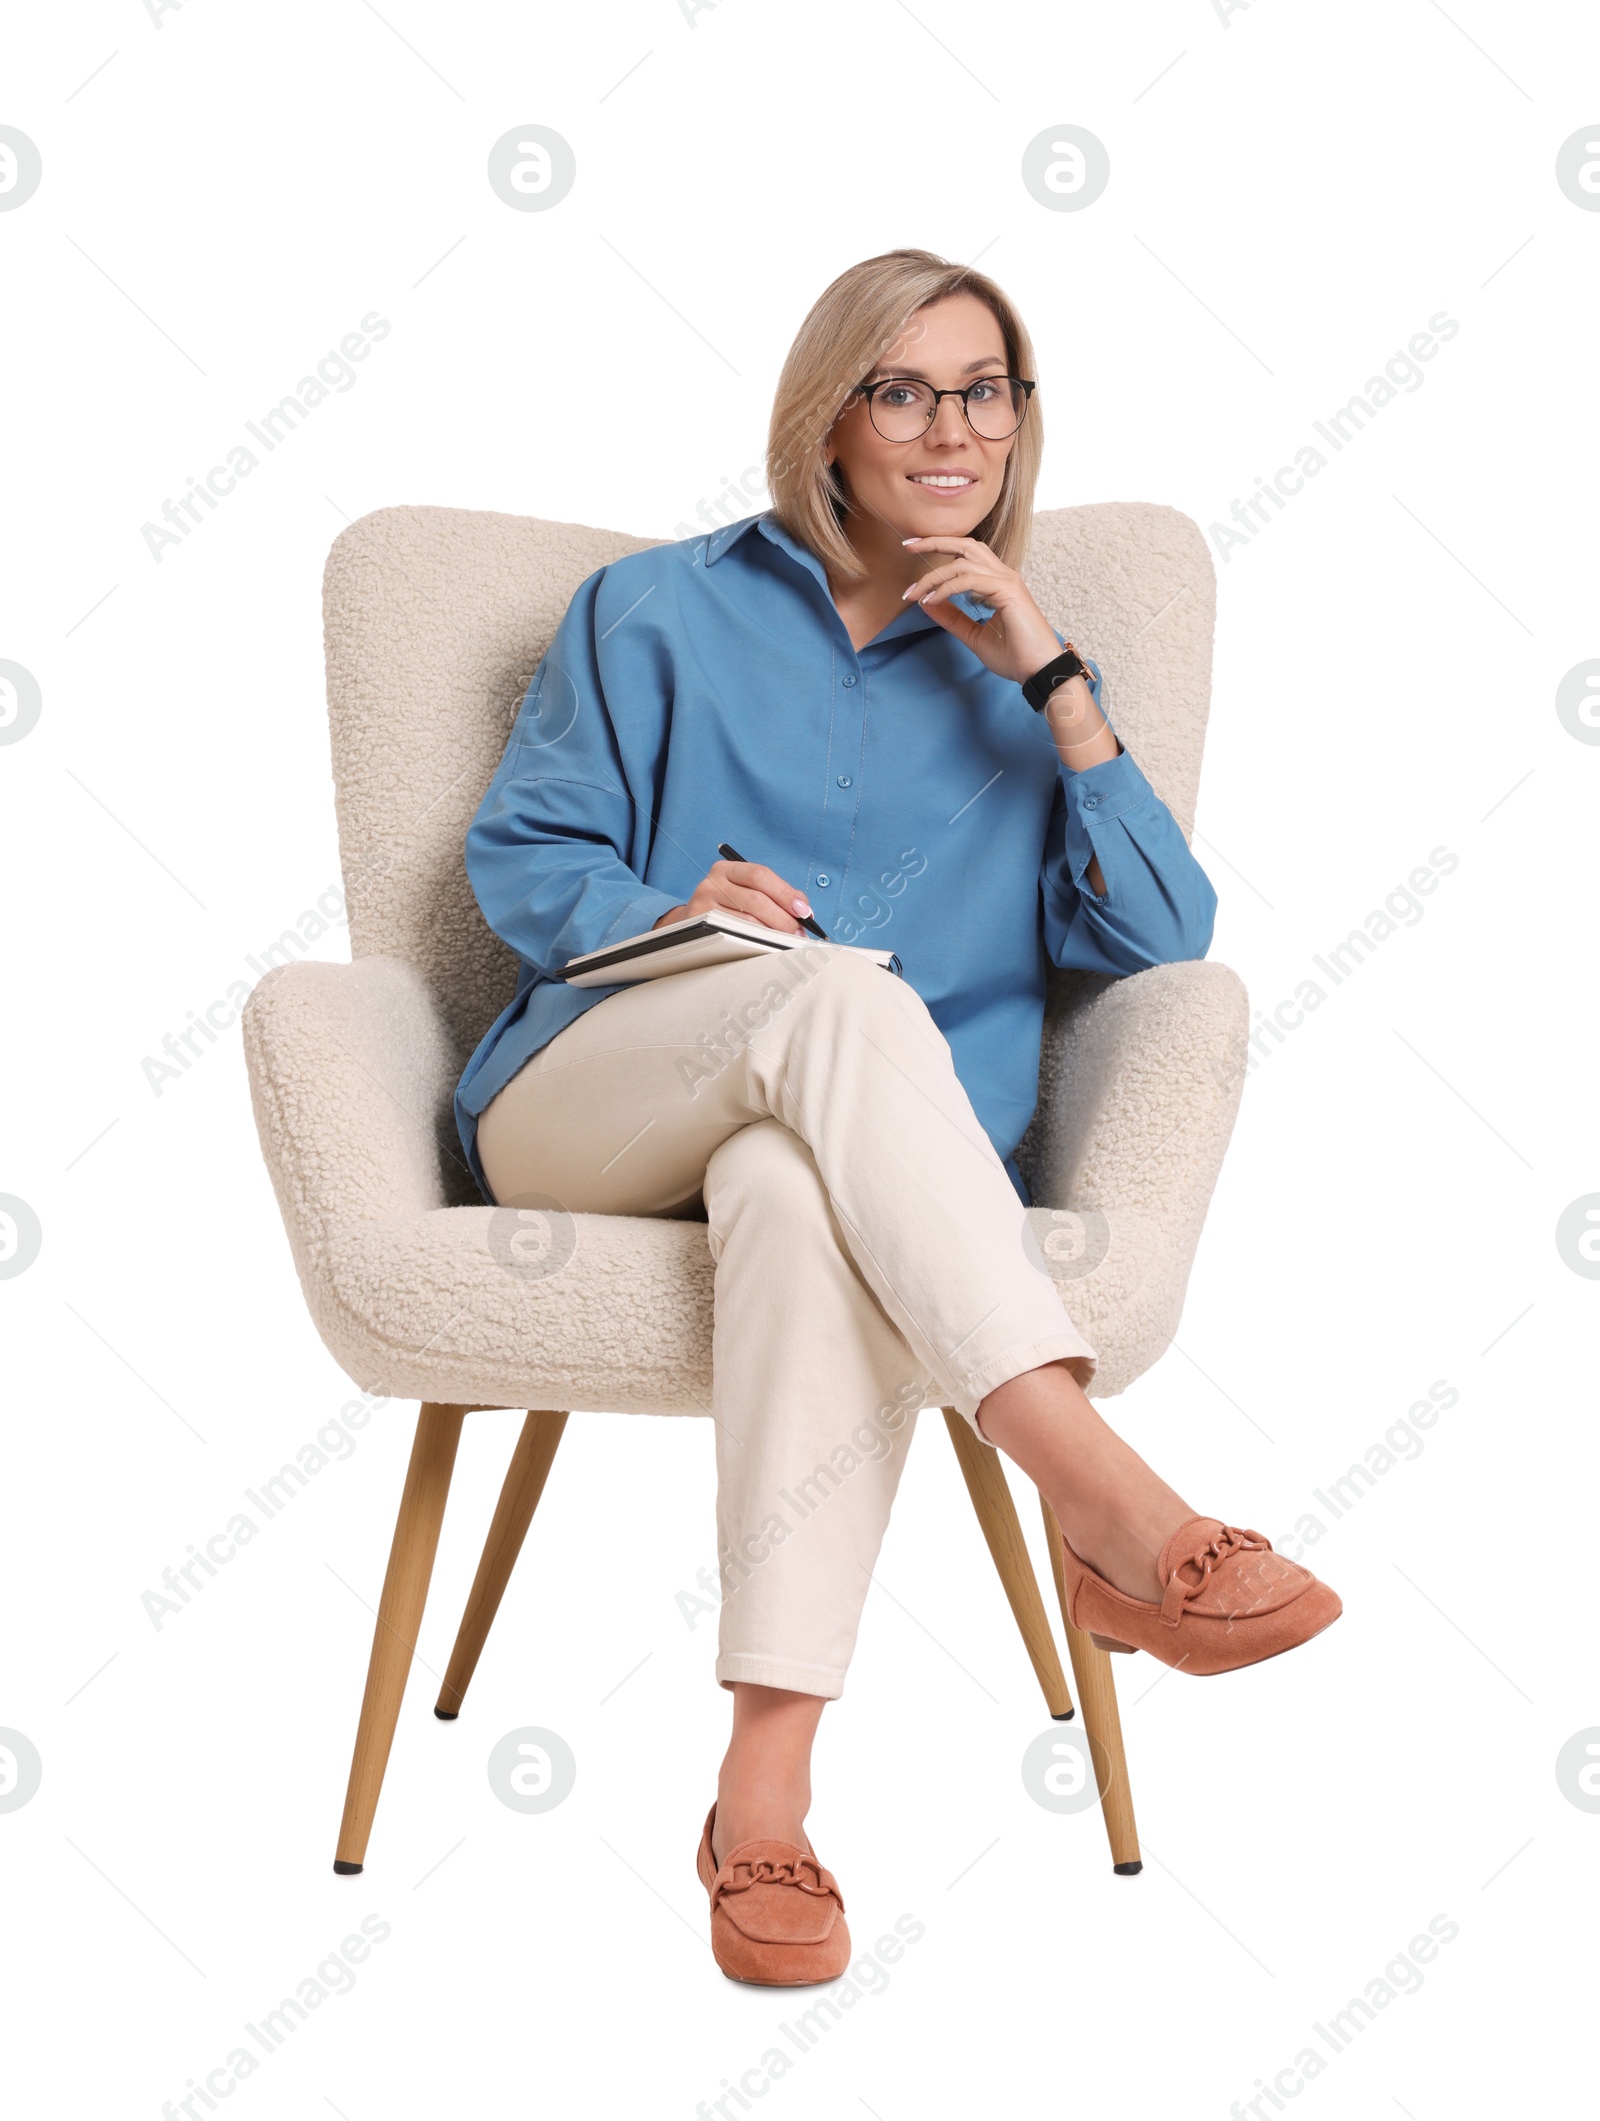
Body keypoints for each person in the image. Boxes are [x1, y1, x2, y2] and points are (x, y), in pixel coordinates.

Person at [454, 248, 1340, 1986]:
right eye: (906, 388)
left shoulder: (1022, 661)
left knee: (792, 1184)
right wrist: (661, 899)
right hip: (595, 1100)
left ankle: (761, 1794)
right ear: (829, 422)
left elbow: (1162, 935)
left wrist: (1056, 682)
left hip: (847, 1159)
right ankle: (1111, 1503)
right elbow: (518, 858)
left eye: (986, 388)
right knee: (843, 990)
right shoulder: (650, 610)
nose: (955, 426)